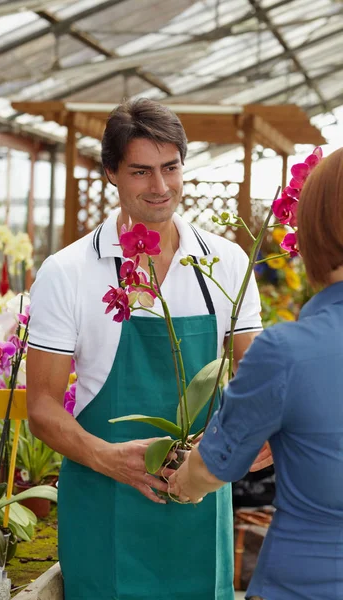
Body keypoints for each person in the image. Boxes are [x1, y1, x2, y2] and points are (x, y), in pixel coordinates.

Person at [26, 98, 264, 600]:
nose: (160, 188)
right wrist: (111, 458)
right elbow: (43, 407)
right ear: (111, 172)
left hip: (198, 503)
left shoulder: (224, 263)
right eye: (140, 172)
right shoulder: (68, 272)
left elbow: (258, 383)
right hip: (104, 499)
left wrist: (240, 447)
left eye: (170, 168)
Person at [169, 147, 343, 600]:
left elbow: (212, 466)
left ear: (313, 234)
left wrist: (182, 482)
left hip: (305, 582)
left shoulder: (286, 351)